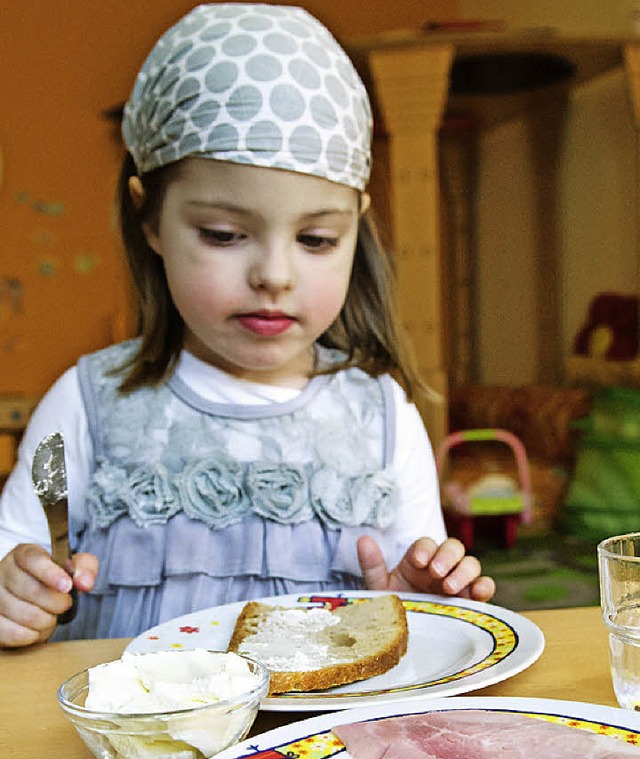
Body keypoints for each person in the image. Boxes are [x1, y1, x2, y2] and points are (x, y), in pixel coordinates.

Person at [0, 3, 495, 649]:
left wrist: (418, 610)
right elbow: (18, 555)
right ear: (149, 220)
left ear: (357, 228)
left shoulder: (383, 419)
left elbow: (408, 618)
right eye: (225, 235)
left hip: (313, 748)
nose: (274, 274)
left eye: (316, 239)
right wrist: (17, 593)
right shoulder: (87, 404)